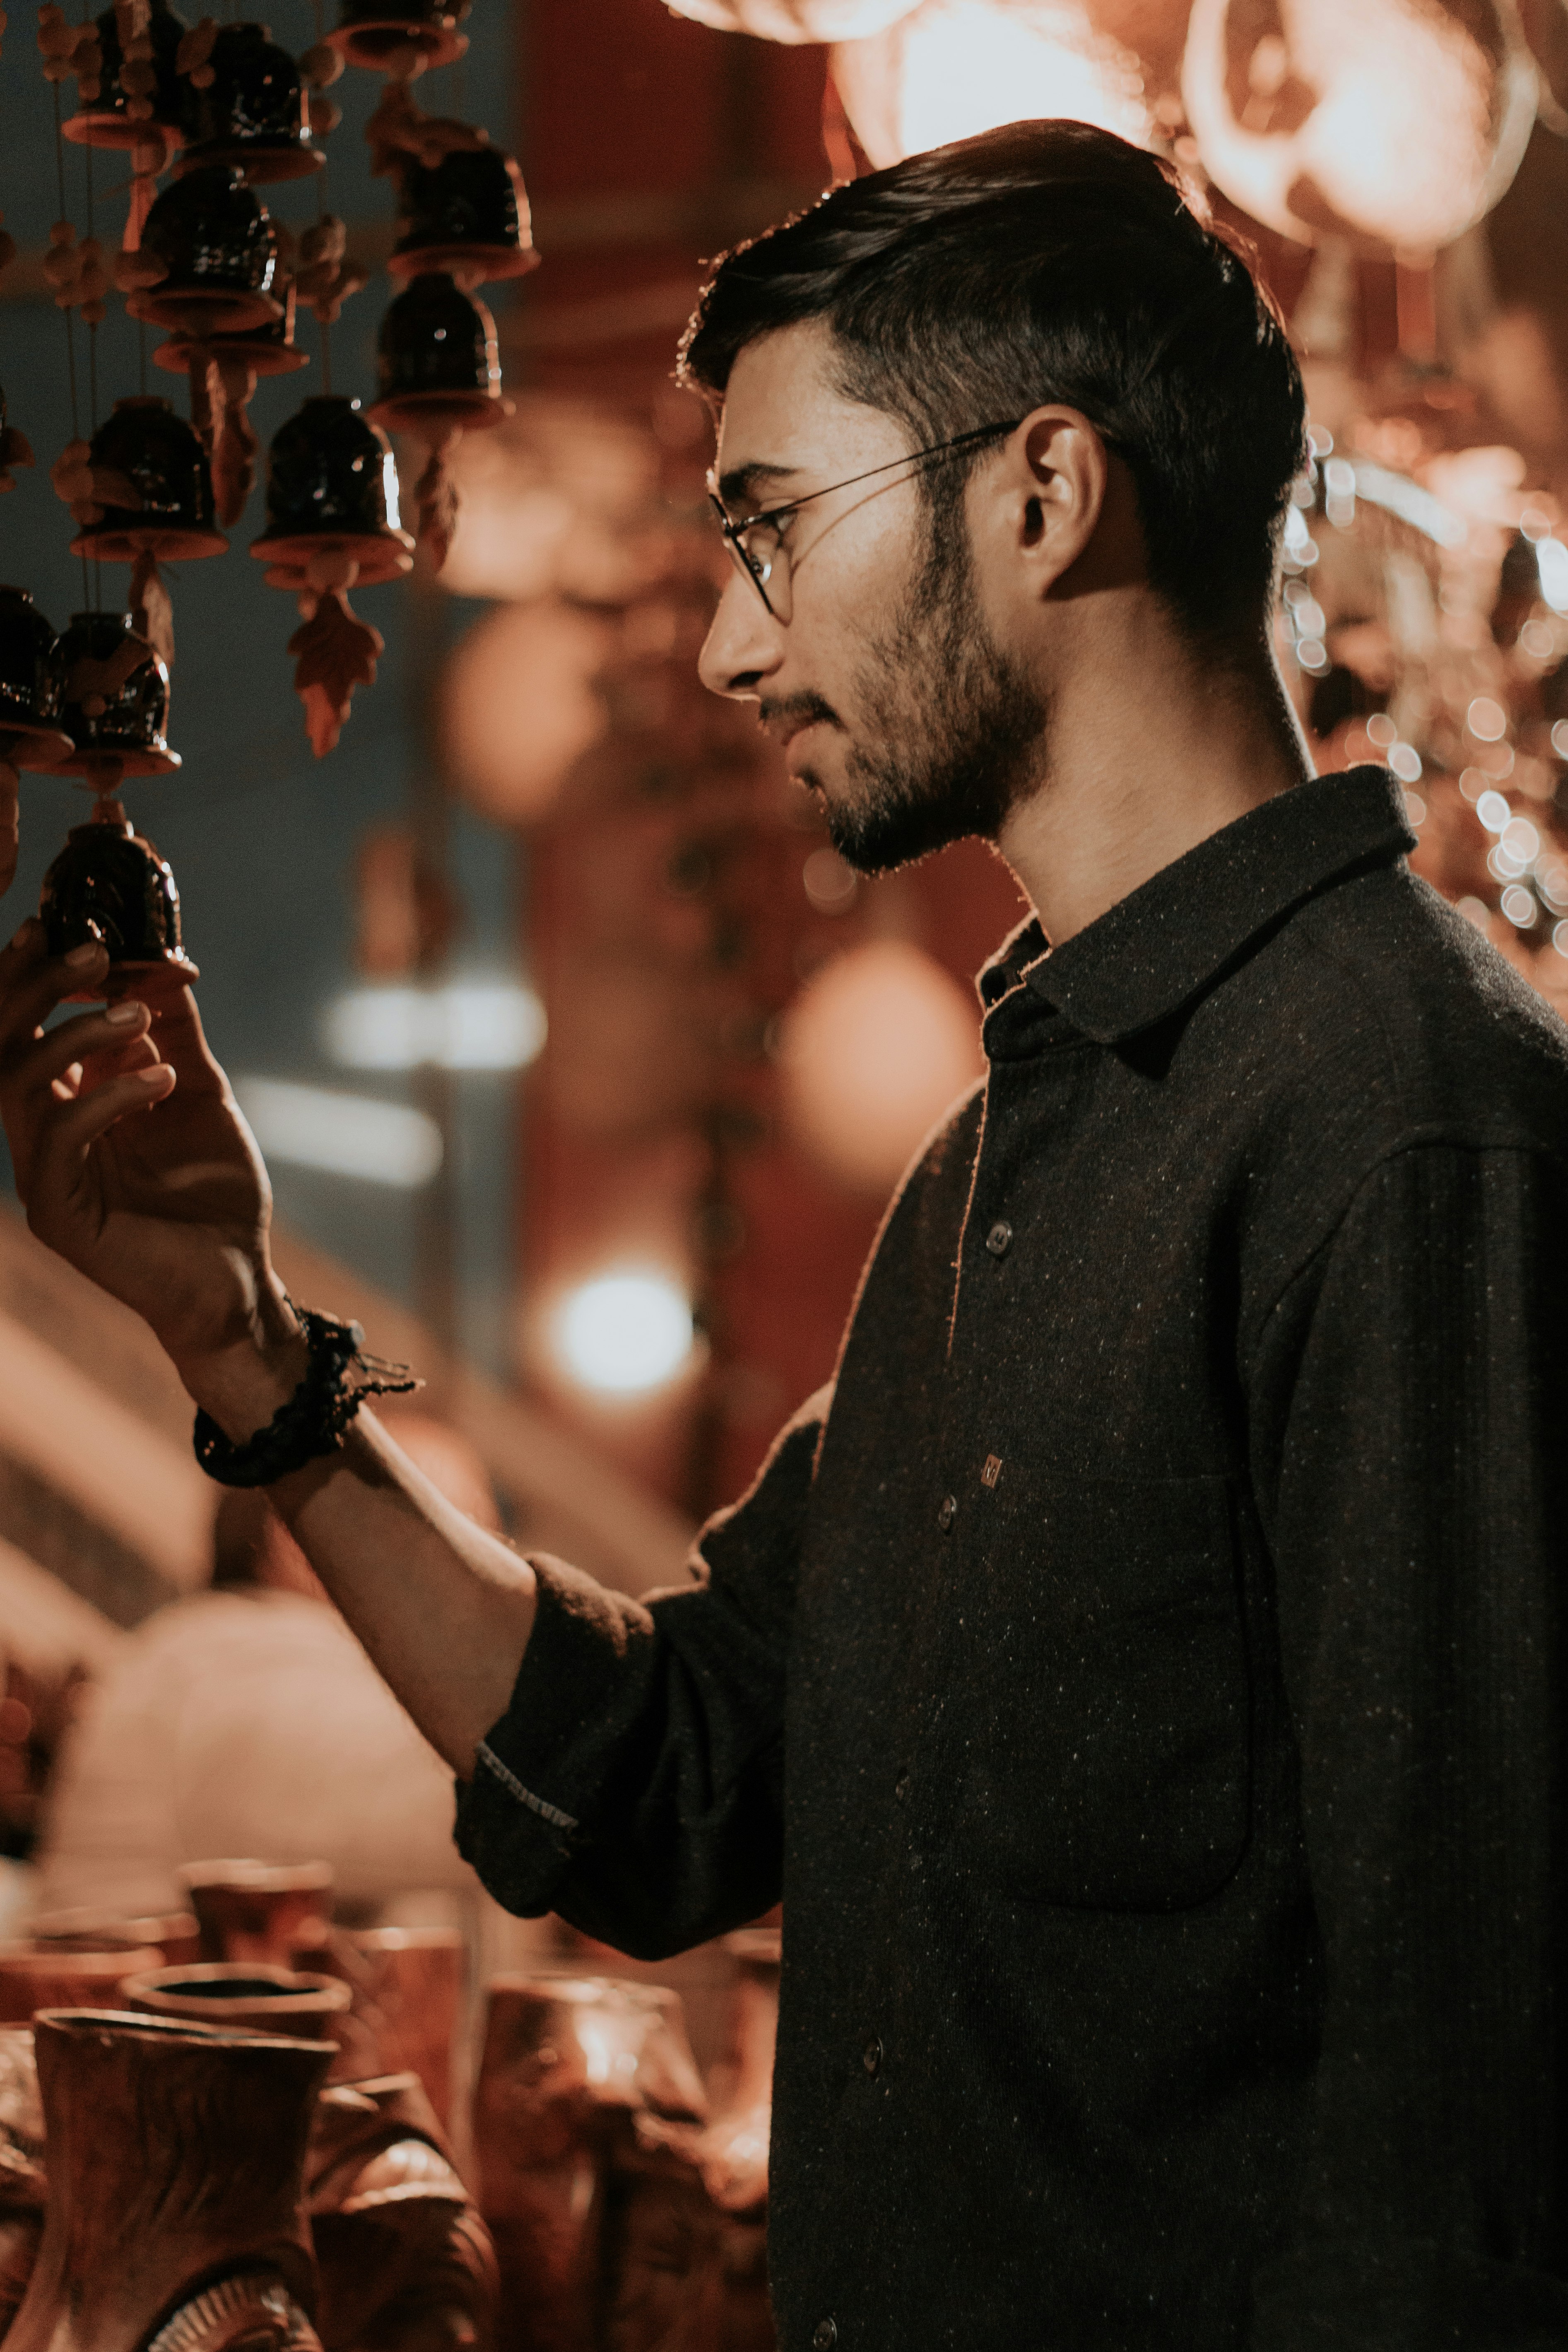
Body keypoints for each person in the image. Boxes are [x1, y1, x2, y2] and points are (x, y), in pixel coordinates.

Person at [1, 118, 1566, 2350]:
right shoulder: (1010, 1157)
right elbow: (666, 1781)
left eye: (770, 529)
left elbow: (1460, 2178)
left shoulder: (1405, 1132)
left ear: (1041, 495)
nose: (736, 646)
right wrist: (241, 1344)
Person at [36, 1417, 501, 1917]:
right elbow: (463, 1808)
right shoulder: (229, 1661)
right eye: (446, 1530)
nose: (492, 1575)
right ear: (301, 1529)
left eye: (487, 1537)